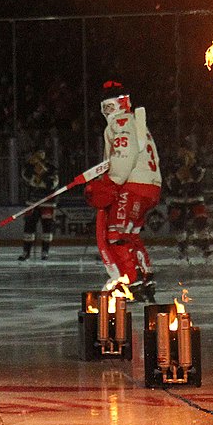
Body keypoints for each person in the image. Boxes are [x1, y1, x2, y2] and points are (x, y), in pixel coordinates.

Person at [84, 81, 161, 301]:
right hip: (149, 185)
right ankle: (145, 276)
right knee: (130, 233)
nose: (107, 112)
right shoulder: (137, 123)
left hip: (132, 185)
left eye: (109, 106)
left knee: (116, 234)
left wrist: (111, 182)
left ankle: (131, 280)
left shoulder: (121, 122)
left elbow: (124, 154)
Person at [19, 149, 58, 261]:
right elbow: (28, 180)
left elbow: (52, 184)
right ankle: (26, 252)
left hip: (48, 203)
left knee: (47, 228)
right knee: (29, 228)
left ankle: (45, 252)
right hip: (32, 202)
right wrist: (37, 177)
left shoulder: (52, 169)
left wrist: (43, 174)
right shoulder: (28, 167)